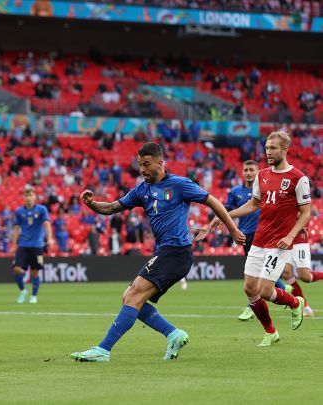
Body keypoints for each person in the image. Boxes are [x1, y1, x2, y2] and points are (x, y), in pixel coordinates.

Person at [71, 142, 245, 362]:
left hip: (177, 252)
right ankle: (173, 334)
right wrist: (92, 204)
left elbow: (213, 202)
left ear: (160, 163)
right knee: (129, 297)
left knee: (133, 296)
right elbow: (113, 207)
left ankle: (103, 350)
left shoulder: (180, 184)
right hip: (165, 252)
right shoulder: (141, 190)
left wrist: (233, 229)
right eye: (139, 165)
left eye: (146, 164)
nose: (142, 169)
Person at [197, 131, 310, 347]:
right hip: (259, 239)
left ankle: (295, 303)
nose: (268, 152)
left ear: (285, 150)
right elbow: (253, 204)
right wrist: (225, 216)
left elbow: (305, 213)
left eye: (273, 148)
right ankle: (271, 332)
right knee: (250, 288)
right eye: (267, 148)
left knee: (265, 291)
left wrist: (290, 236)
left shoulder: (299, 178)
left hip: (279, 243)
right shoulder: (262, 175)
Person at [223, 160, 291, 321]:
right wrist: (229, 227)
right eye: (246, 170)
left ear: (257, 171)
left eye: (251, 170)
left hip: (265, 234)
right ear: (242, 172)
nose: (248, 173)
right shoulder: (235, 192)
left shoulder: (266, 188)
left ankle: (251, 307)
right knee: (259, 272)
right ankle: (284, 289)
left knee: (258, 275)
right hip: (245, 236)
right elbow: (227, 212)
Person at [11, 187, 53, 304]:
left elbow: (47, 224)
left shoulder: (42, 209)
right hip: (23, 245)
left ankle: (34, 296)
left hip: (37, 245)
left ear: (35, 197)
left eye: (30, 195)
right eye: (26, 195)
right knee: (16, 269)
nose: (28, 198)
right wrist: (14, 244)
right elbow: (16, 228)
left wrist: (49, 239)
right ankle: (23, 291)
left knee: (35, 272)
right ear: (23, 198)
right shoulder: (19, 211)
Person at [282, 227, 318, 317]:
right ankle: (305, 307)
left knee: (305, 277)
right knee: (286, 273)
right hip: (287, 239)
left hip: (299, 240)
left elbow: (304, 217)